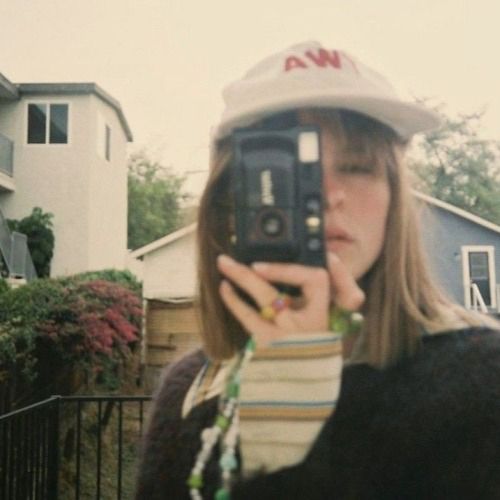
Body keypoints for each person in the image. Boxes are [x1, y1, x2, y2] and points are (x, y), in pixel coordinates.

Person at [134, 41, 500, 500]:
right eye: (292, 172)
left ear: (394, 199)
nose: (326, 195)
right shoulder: (191, 390)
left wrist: (291, 450)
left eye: (356, 166)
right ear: (229, 204)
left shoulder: (484, 379)